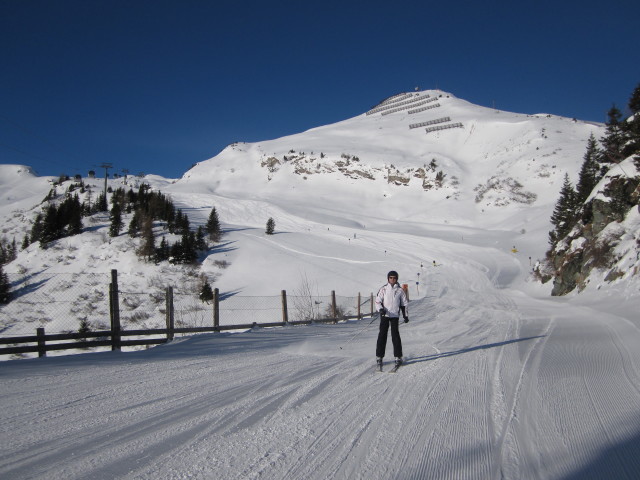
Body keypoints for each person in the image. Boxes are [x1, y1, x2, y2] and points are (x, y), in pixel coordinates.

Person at [375, 270, 409, 368]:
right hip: (385, 315)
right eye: (391, 278)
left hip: (394, 316)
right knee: (382, 335)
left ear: (396, 279)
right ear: (388, 278)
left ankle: (398, 357)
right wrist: (380, 310)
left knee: (395, 336)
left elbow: (404, 304)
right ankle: (379, 357)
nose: (392, 279)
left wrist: (405, 316)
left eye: (394, 278)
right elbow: (377, 301)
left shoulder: (400, 290)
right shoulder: (383, 289)